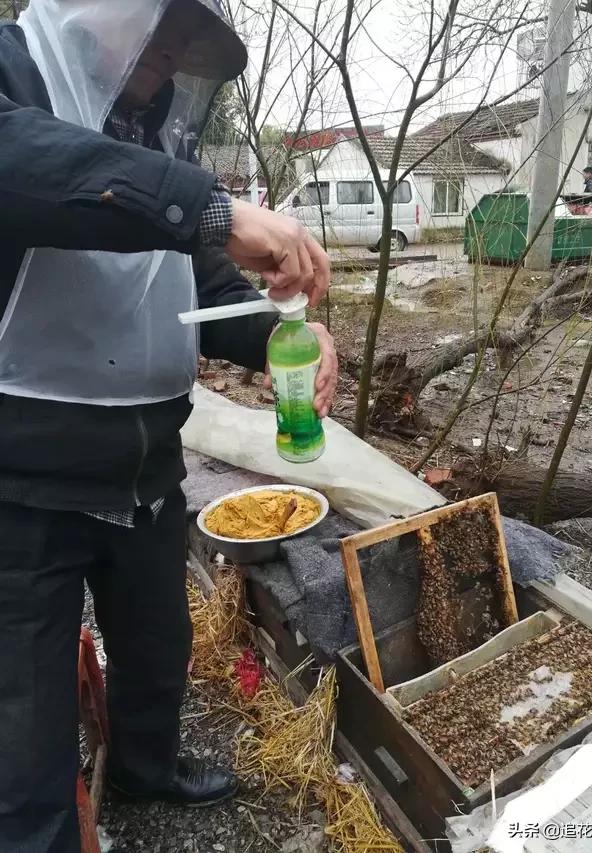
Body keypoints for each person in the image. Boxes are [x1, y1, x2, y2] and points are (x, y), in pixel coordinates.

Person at [0, 1, 337, 851]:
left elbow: (203, 290)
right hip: (23, 481)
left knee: (157, 647)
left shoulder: (157, 141)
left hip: (148, 464)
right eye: (165, 23)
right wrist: (218, 208)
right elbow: (31, 162)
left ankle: (146, 769)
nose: (174, 48)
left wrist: (285, 333)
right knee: (23, 722)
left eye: (189, 37)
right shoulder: (14, 68)